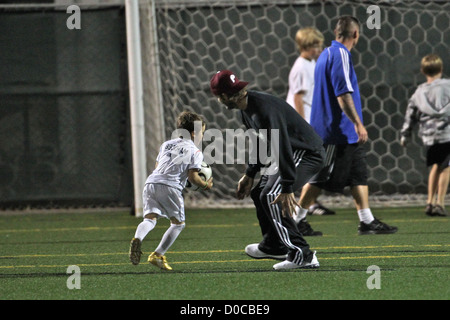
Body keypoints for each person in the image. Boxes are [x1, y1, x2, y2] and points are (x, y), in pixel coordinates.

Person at [210, 69, 326, 270]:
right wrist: (250, 173)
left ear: (224, 97)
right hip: (291, 152)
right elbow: (260, 143)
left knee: (272, 194)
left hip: (307, 153)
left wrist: (287, 186)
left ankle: (303, 254)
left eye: (219, 97)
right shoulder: (247, 109)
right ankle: (274, 245)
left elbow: (282, 146)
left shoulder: (262, 110)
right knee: (259, 193)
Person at [298, 16, 398, 235]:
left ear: (336, 33)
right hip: (337, 132)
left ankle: (367, 221)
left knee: (358, 174)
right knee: (321, 177)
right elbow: (342, 94)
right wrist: (358, 123)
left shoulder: (325, 54)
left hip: (340, 132)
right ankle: (296, 221)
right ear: (356, 34)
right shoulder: (341, 54)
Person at [129, 111, 213, 270]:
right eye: (202, 132)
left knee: (149, 219)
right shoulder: (195, 151)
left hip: (151, 183)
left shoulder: (166, 144)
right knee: (178, 224)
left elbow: (157, 167)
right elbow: (193, 178)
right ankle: (158, 254)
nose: (202, 135)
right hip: (170, 186)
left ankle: (137, 238)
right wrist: (205, 185)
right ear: (194, 133)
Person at [286, 27, 336, 221]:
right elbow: (298, 98)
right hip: (303, 124)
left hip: (311, 122)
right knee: (311, 164)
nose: (320, 48)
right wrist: (303, 126)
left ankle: (308, 204)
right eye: (316, 45)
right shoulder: (300, 67)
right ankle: (299, 210)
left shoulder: (311, 63)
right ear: (306, 46)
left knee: (319, 165)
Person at [400, 54, 450, 217]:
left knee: (436, 165)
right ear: (441, 69)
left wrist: (405, 134)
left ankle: (429, 201)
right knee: (447, 167)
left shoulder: (419, 92)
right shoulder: (448, 86)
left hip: (429, 136)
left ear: (422, 71)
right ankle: (440, 204)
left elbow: (410, 114)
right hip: (447, 133)